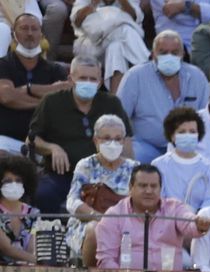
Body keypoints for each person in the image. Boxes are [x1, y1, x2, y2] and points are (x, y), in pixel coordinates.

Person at [27, 55, 129, 214]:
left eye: (92, 79)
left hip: (103, 174)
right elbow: (32, 140)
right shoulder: (52, 102)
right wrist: (52, 148)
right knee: (42, 195)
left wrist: (127, 170)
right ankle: (49, 234)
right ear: (70, 79)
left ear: (100, 82)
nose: (87, 82)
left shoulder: (111, 103)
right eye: (82, 78)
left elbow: (126, 140)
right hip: (61, 174)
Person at [86, 161, 205, 270]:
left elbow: (190, 224)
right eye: (143, 186)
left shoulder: (174, 208)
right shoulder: (114, 215)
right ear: (130, 188)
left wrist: (199, 225)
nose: (148, 191)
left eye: (153, 186)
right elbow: (106, 260)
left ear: (160, 189)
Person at [116, 30, 208, 163]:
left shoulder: (196, 76)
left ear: (182, 54)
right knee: (134, 160)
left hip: (188, 146)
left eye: (174, 52)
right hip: (146, 147)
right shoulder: (135, 76)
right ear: (153, 54)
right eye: (163, 52)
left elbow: (206, 117)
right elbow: (119, 117)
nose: (169, 56)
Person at [63, 112, 134, 254]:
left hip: (125, 225)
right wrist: (100, 217)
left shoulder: (134, 168)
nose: (112, 144)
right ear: (96, 141)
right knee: (96, 230)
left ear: (123, 141)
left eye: (117, 139)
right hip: (90, 223)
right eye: (106, 138)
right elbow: (72, 201)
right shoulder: (86, 165)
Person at [0, 12, 67, 158]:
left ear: (41, 34)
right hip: (7, 141)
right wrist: (46, 95)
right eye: (24, 28)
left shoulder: (56, 70)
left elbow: (62, 101)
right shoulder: (3, 65)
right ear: (13, 34)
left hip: (44, 144)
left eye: (34, 29)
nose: (30, 33)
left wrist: (25, 91)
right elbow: (6, 96)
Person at [69, 0, 149, 91]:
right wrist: (93, 4)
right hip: (90, 43)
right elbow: (76, 21)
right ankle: (146, 64)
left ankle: (116, 99)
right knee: (125, 29)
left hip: (118, 43)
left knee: (115, 48)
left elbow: (136, 17)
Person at [152, 106, 210, 210]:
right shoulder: (159, 165)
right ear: (172, 136)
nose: (188, 135)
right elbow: (157, 200)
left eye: (192, 131)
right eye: (182, 132)